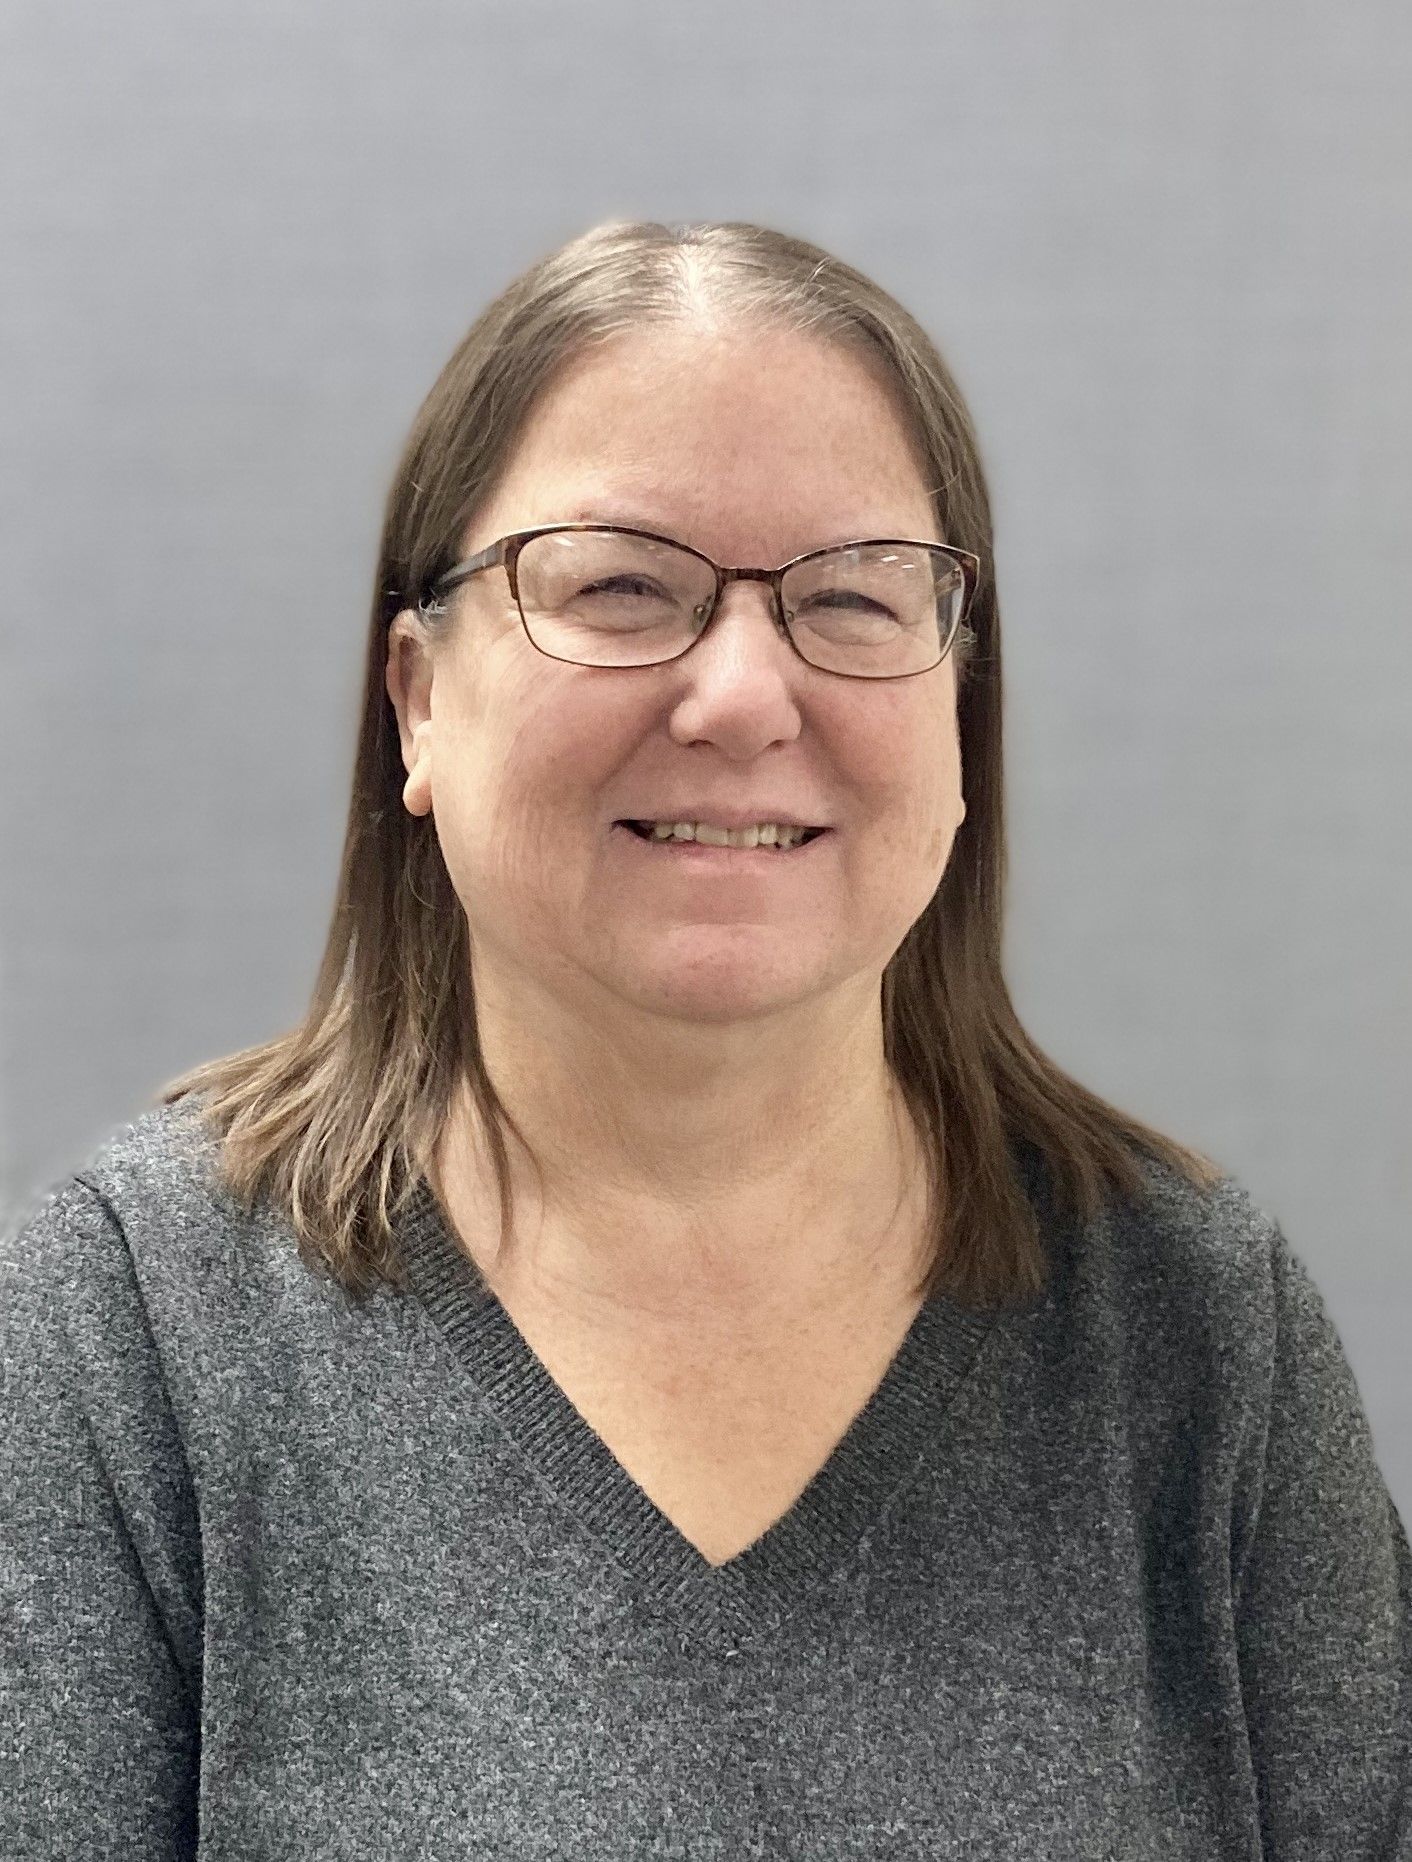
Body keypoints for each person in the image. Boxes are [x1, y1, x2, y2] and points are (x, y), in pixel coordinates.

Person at [3, 220, 1408, 1858]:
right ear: (417, 702)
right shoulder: (135, 1331)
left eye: (856, 595)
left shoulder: (1198, 1335)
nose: (744, 694)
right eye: (618, 584)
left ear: (960, 711)